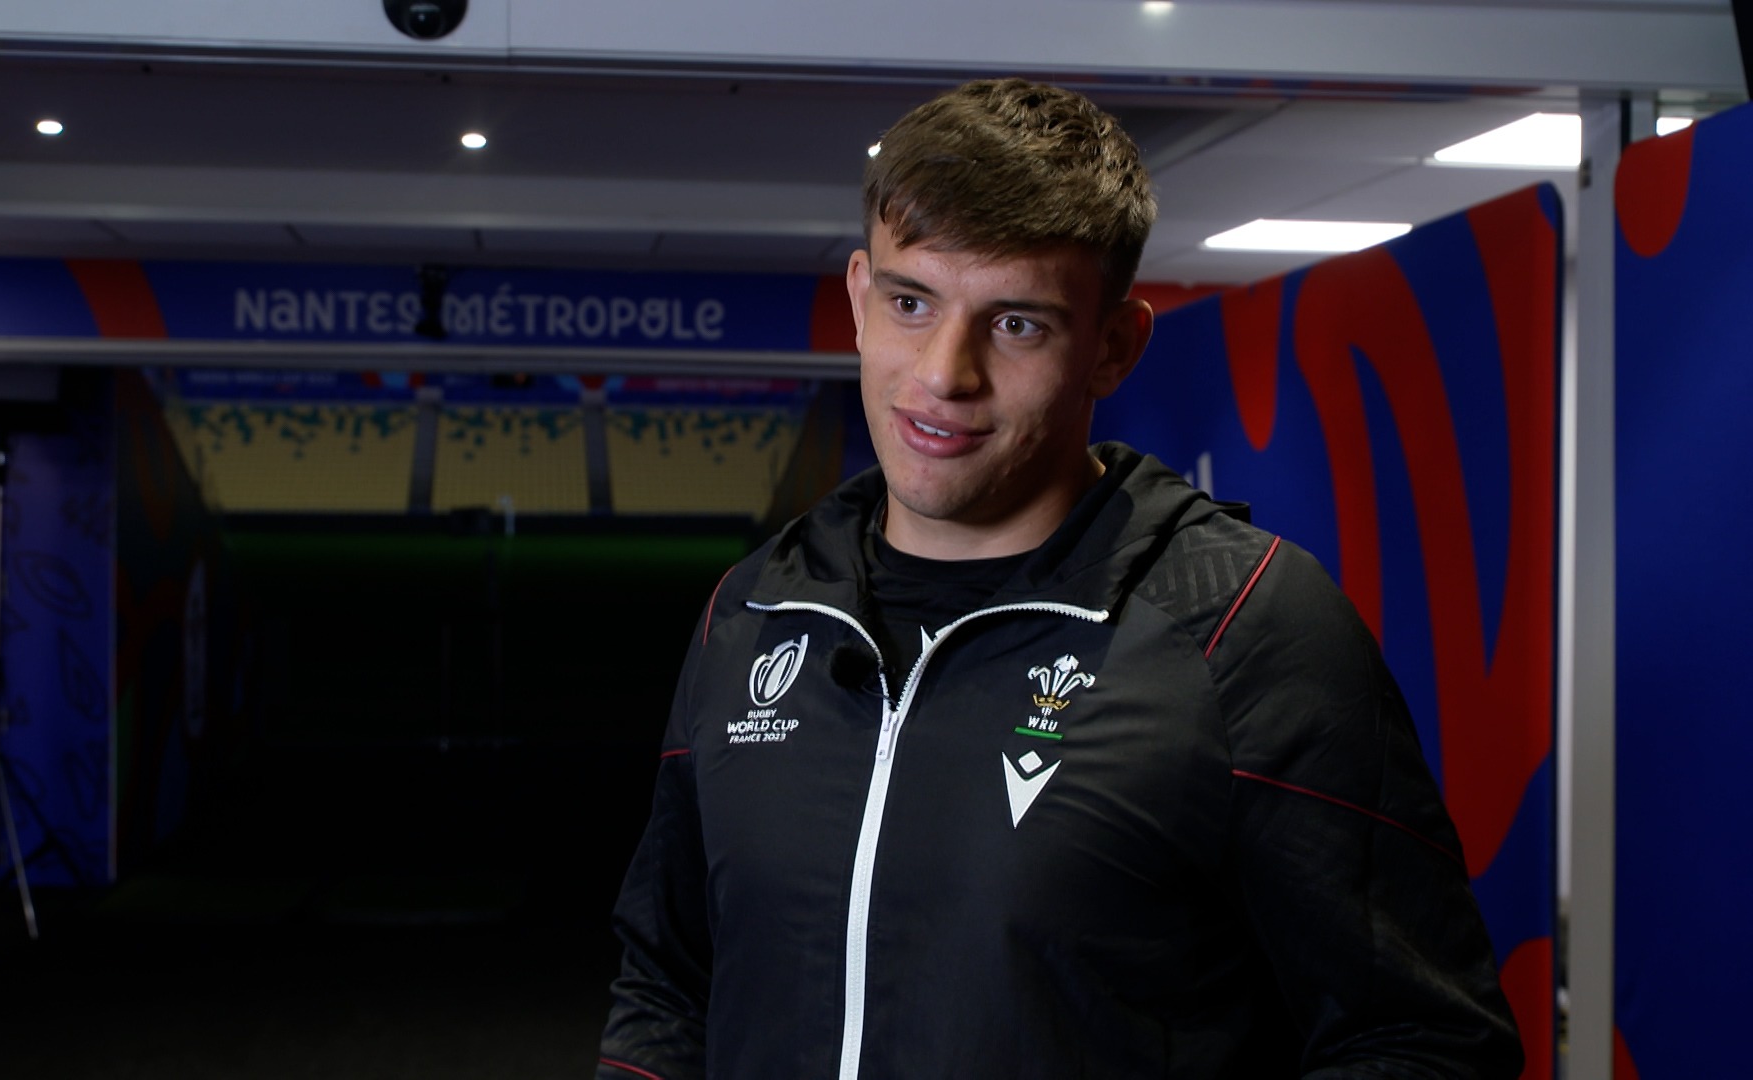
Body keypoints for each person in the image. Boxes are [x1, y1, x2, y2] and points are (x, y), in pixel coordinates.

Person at [597, 78, 1521, 1079]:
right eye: (911, 303)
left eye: (1017, 324)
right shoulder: (757, 611)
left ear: (1112, 348)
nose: (945, 374)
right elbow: (668, 983)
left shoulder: (1244, 629)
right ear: (860, 300)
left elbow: (1425, 1041)